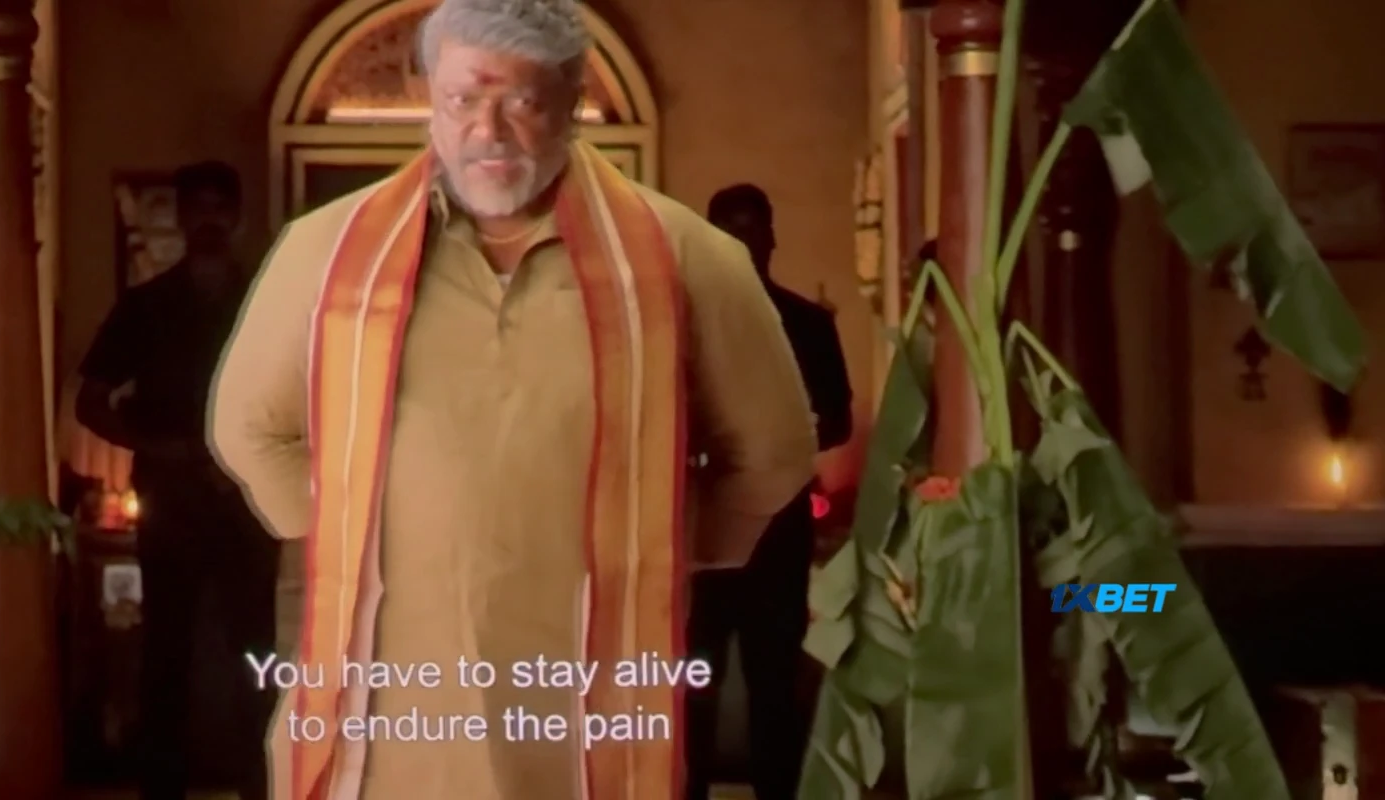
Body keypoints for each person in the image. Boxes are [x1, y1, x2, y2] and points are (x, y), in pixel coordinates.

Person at [208, 1, 816, 797]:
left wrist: (660, 536)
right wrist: (352, 526)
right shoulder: (326, 250)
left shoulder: (687, 259)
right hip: (392, 691)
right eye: (463, 99)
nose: (487, 131)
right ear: (428, 93)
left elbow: (773, 451)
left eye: (521, 102)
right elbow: (250, 428)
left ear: (573, 100)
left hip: (584, 692)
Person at [77, 160, 277, 800]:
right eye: (200, 209)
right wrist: (158, 447)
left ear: (236, 217)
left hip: (247, 503)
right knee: (165, 654)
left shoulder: (267, 304)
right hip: (173, 502)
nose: (210, 221)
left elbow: (305, 396)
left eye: (221, 208)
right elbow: (91, 401)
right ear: (184, 218)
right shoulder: (148, 307)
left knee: (256, 654)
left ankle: (262, 785)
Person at [683, 184, 853, 800]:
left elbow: (838, 422)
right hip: (703, 534)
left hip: (779, 529)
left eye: (752, 233)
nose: (743, 246)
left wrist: (782, 434)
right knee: (692, 681)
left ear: (771, 239)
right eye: (729, 234)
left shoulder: (809, 324)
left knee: (774, 682)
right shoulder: (682, 325)